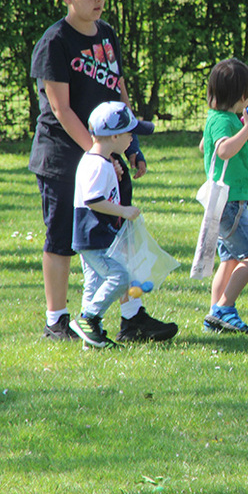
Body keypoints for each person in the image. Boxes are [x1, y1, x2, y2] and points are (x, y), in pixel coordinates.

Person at [29, 0, 177, 342]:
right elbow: (60, 109)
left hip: (110, 150)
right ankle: (57, 321)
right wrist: (100, 155)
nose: (99, 0)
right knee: (62, 237)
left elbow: (119, 90)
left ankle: (133, 318)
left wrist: (131, 146)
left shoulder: (106, 34)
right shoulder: (55, 41)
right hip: (64, 155)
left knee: (119, 234)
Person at [68, 102, 151, 348]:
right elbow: (93, 200)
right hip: (94, 237)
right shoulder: (96, 163)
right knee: (120, 276)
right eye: (129, 134)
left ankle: (90, 339)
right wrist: (123, 211)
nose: (131, 139)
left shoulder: (101, 161)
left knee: (94, 284)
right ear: (114, 136)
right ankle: (88, 319)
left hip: (94, 236)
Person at [201, 58, 248, 334]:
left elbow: (207, 146)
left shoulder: (216, 118)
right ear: (242, 96)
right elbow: (223, 150)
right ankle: (225, 308)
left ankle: (215, 315)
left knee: (230, 260)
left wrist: (242, 162)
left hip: (223, 200)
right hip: (229, 202)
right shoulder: (226, 121)